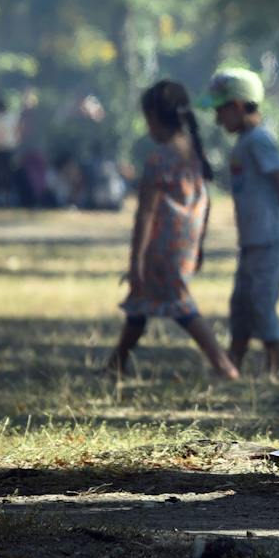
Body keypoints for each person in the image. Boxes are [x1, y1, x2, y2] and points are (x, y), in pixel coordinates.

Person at [105, 80, 239, 379]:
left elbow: (146, 213)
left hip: (161, 249)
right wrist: (199, 246)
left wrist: (136, 260)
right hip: (185, 246)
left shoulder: (159, 159)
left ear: (154, 117)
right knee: (140, 304)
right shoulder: (194, 153)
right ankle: (116, 364)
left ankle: (223, 365)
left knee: (180, 306)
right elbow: (204, 204)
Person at [206, 66, 279, 379]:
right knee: (241, 303)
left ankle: (274, 367)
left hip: (269, 236)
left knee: (261, 302)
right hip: (253, 238)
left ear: (238, 106)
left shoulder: (259, 140)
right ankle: (232, 363)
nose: (218, 119)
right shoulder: (245, 141)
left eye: (221, 110)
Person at [0, 94, 23, 206]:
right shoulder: (11, 118)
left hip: (2, 149)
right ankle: (4, 197)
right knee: (4, 174)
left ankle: (6, 197)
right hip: (7, 149)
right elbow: (18, 132)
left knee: (4, 174)